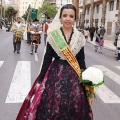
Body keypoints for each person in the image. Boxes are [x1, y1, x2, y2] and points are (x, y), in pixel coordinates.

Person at [16, 4, 93, 120]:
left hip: (74, 77)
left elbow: (81, 61)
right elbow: (47, 59)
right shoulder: (53, 36)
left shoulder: (80, 38)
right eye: (65, 15)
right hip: (55, 75)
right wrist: (40, 81)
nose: (68, 19)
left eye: (71, 16)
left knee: (74, 105)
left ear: (75, 18)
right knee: (53, 105)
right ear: (60, 18)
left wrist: (87, 82)